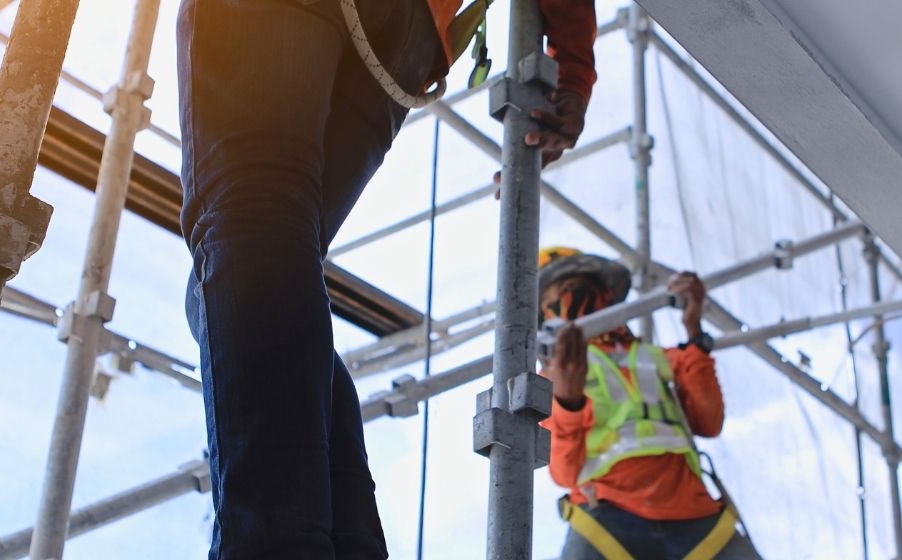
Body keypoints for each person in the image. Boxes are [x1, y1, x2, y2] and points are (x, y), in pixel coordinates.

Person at [177, 0, 598, 557]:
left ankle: (280, 547)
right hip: (407, 33)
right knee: (257, 248)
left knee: (256, 222)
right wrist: (573, 68)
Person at [536, 247, 761, 559]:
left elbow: (709, 423)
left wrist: (694, 331)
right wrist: (567, 402)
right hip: (607, 519)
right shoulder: (550, 376)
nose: (575, 299)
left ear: (606, 295)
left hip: (695, 516)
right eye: (559, 294)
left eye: (581, 287)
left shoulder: (654, 357)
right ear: (544, 314)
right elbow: (564, 473)